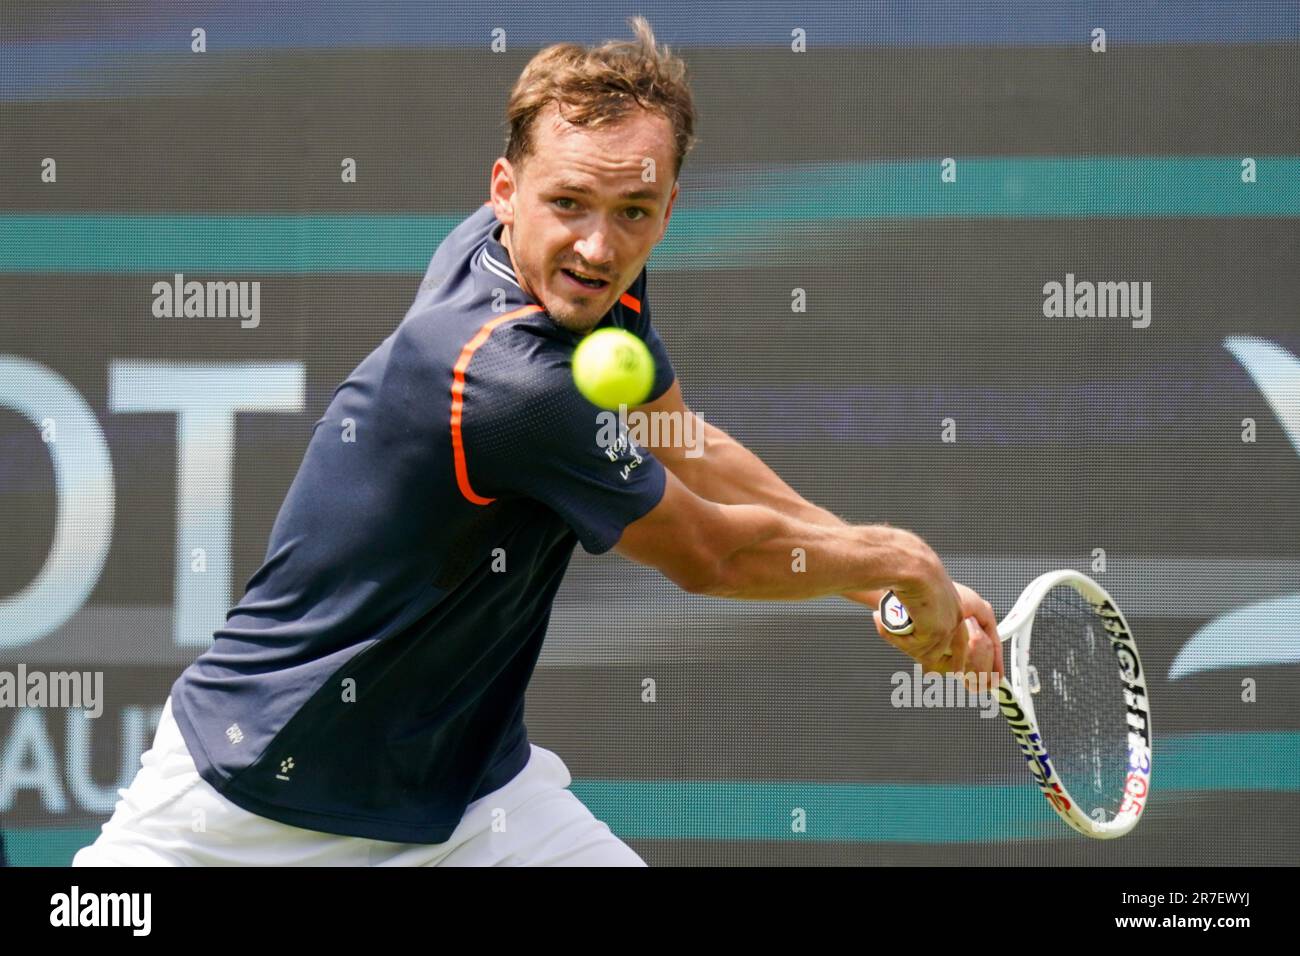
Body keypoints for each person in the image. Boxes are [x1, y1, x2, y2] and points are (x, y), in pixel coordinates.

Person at [74, 16, 1000, 868]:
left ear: (668, 207)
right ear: (505, 191)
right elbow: (711, 555)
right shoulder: (509, 385)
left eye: (633, 213)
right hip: (253, 797)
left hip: (468, 799)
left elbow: (680, 438)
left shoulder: (582, 281)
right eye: (569, 205)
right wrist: (897, 556)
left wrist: (883, 587)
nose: (598, 248)